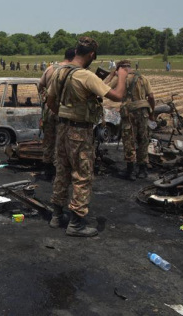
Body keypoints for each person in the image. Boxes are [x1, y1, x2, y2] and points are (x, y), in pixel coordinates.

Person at [46, 37, 128, 237]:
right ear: (91, 55)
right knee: (83, 175)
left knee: (62, 171)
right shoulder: (86, 76)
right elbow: (117, 96)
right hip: (80, 131)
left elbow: (49, 99)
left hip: (63, 128)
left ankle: (56, 216)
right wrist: (123, 76)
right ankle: (76, 223)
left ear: (76, 51)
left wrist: (64, 115)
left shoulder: (59, 72)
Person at [108, 60, 155, 180]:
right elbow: (151, 97)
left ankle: (130, 171)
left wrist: (111, 76)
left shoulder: (120, 78)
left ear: (120, 68)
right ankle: (142, 170)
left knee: (129, 139)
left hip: (128, 112)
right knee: (143, 139)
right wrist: (151, 113)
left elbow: (106, 90)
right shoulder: (142, 77)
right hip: (143, 111)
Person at [38, 48, 76, 180]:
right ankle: (61, 172)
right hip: (64, 110)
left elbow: (40, 86)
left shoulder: (50, 69)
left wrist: (46, 97)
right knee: (64, 142)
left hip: (49, 108)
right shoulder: (73, 71)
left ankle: (47, 171)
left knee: (48, 140)